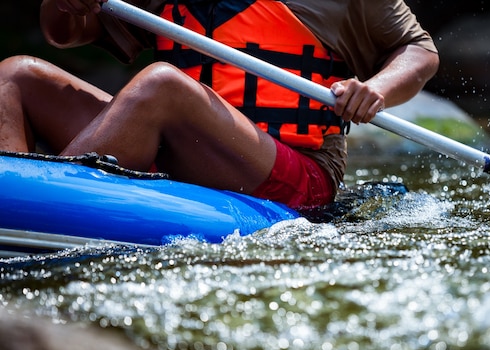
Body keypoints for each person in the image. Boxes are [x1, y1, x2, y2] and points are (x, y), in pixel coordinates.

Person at [0, 0, 439, 209]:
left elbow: (418, 50)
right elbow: (63, 32)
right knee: (17, 74)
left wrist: (376, 88)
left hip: (293, 168)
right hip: (173, 148)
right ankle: (19, 194)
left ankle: (32, 204)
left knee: (163, 85)